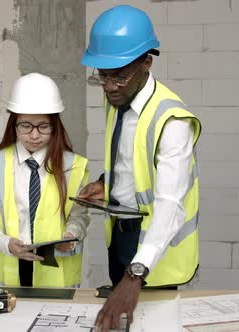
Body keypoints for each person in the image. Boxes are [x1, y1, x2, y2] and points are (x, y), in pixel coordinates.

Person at [78, 5, 201, 330]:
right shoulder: (117, 97)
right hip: (119, 237)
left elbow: (170, 206)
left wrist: (136, 273)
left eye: (118, 76)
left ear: (147, 61)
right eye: (102, 76)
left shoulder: (173, 121)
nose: (109, 86)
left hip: (157, 252)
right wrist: (109, 183)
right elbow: (128, 156)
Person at [0, 73, 90, 288]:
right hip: (10, 267)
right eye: (25, 126)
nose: (34, 135)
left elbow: (80, 216)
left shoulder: (73, 165)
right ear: (14, 124)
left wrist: (71, 234)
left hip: (54, 272)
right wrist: (7, 244)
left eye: (43, 126)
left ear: (54, 125)